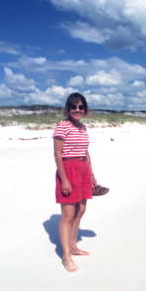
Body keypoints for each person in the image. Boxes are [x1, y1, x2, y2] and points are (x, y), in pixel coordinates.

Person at [53, 92, 97, 272]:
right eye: (74, 107)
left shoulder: (83, 128)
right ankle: (66, 256)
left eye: (81, 107)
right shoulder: (62, 126)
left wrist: (92, 174)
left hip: (83, 169)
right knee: (68, 215)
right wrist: (64, 179)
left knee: (80, 210)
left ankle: (73, 246)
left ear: (85, 109)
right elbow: (57, 154)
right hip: (68, 169)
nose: (77, 110)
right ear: (68, 108)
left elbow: (86, 152)